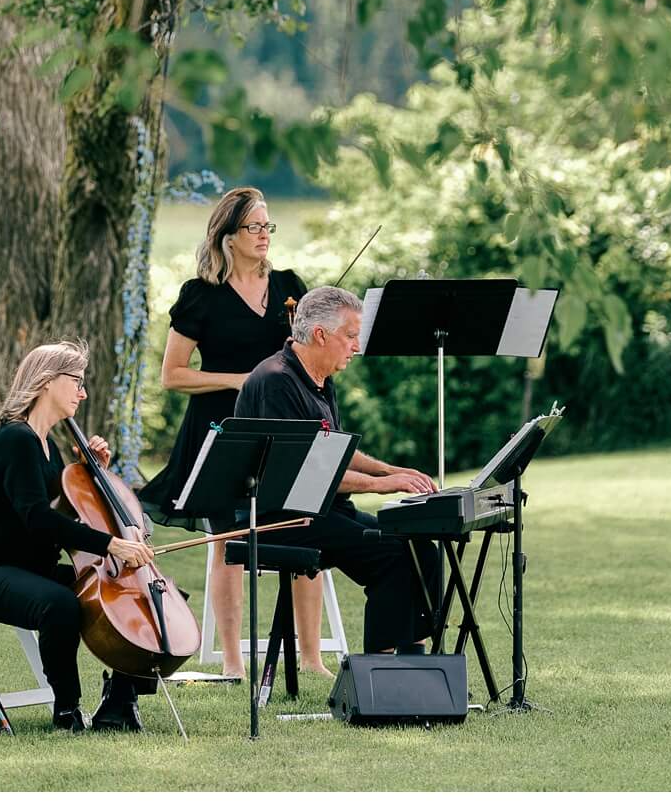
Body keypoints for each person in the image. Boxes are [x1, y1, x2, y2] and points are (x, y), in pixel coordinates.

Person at [137, 186, 325, 679]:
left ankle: (311, 658)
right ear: (227, 236)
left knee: (302, 525)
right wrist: (238, 379)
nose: (264, 236)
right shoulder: (200, 295)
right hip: (222, 429)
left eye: (268, 227)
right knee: (229, 541)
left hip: (283, 427)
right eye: (254, 227)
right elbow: (172, 375)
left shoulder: (289, 287)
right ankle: (234, 663)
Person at [0, 341, 156, 732]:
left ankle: (119, 699)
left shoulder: (49, 447)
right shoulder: (16, 440)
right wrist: (112, 545)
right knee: (60, 604)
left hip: (33, 569)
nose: (82, 392)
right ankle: (67, 709)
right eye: (76, 382)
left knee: (133, 592)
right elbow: (38, 520)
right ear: (47, 381)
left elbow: (69, 512)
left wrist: (92, 474)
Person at [234, 286, 443, 654]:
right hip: (285, 518)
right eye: (350, 336)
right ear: (320, 334)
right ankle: (382, 669)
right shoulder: (275, 381)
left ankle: (415, 660)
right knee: (392, 556)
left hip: (326, 511)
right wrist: (383, 486)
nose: (356, 347)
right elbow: (304, 472)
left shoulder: (318, 377)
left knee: (422, 548)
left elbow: (335, 449)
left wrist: (391, 470)